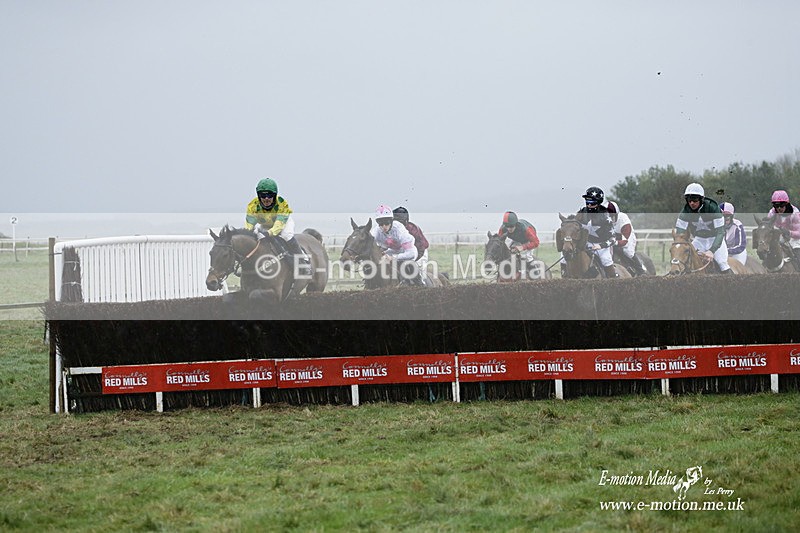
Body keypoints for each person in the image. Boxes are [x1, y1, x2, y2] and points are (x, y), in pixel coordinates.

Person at [245, 177, 310, 274]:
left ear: (274, 195)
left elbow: (279, 225)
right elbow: (249, 224)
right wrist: (248, 234)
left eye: (270, 195)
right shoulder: (253, 206)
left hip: (283, 223)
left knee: (286, 235)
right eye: (263, 195)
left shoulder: (281, 204)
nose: (266, 198)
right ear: (258, 196)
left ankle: (302, 259)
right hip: (266, 225)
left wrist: (268, 233)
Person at [674, 183, 731, 274]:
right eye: (689, 199)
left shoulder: (713, 208)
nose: (692, 203)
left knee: (722, 263)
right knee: (685, 262)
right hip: (699, 240)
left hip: (715, 239)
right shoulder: (684, 212)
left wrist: (712, 251)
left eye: (695, 199)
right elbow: (679, 235)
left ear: (702, 199)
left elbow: (720, 233)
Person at [371, 204, 423, 285]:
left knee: (408, 264)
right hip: (393, 251)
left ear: (391, 221)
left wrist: (393, 258)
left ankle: (420, 284)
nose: (384, 226)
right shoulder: (377, 230)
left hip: (408, 252)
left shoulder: (399, 229)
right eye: (380, 223)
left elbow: (411, 254)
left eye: (386, 223)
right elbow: (369, 241)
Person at [575, 187, 618, 278]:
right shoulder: (581, 213)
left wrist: (600, 246)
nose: (589, 204)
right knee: (564, 257)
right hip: (585, 245)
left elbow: (613, 238)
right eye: (587, 200)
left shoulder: (605, 215)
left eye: (592, 201)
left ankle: (614, 281)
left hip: (601, 247)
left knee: (606, 260)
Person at [606, 200, 647, 276]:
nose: (611, 219)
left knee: (627, 252)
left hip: (626, 236)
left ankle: (641, 271)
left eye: (613, 216)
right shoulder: (604, 221)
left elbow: (625, 241)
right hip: (613, 236)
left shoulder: (623, 219)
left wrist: (614, 242)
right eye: (609, 216)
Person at [393, 206, 431, 283]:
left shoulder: (413, 230)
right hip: (404, 252)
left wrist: (412, 260)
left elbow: (420, 249)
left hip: (420, 252)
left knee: (416, 271)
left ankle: (422, 286)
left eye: (400, 223)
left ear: (406, 222)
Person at [767, 190, 800, 270]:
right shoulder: (771, 213)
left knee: (798, 256)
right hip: (779, 237)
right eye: (776, 205)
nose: (779, 208)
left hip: (794, 239)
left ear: (786, 204)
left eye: (781, 205)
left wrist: (789, 232)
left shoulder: (794, 214)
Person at [719, 202, 749, 267]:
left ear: (732, 216)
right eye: (722, 216)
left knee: (738, 269)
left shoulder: (738, 225)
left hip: (737, 253)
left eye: (727, 216)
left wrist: (727, 251)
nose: (725, 218)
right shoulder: (715, 225)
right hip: (721, 252)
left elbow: (741, 245)